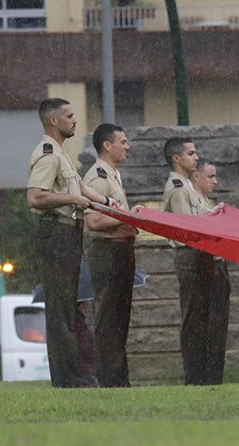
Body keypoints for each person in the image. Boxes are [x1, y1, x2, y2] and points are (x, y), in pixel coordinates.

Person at [25, 97, 112, 388]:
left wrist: (110, 204)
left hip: (69, 233)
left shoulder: (61, 154)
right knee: (60, 310)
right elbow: (35, 197)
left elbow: (81, 187)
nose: (74, 120)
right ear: (54, 121)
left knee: (69, 307)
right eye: (69, 116)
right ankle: (67, 379)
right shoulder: (48, 154)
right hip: (56, 234)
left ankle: (74, 374)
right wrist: (72, 199)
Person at [82, 123, 138, 388]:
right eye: (123, 142)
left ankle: (119, 379)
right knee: (109, 318)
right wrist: (126, 218)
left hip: (122, 249)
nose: (127, 146)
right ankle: (110, 381)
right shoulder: (98, 177)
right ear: (107, 145)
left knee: (120, 318)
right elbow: (93, 220)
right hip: (108, 251)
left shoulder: (114, 175)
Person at [163, 137, 220, 385]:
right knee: (193, 316)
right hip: (189, 255)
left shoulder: (187, 185)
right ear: (177, 158)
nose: (196, 158)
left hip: (199, 254)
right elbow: (186, 228)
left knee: (201, 315)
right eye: (190, 153)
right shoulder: (177, 187)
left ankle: (202, 373)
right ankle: (194, 376)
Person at [191, 157, 231, 385]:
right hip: (208, 266)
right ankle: (207, 377)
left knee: (219, 324)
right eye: (210, 176)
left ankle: (215, 376)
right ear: (197, 176)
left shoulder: (207, 202)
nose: (215, 181)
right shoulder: (190, 198)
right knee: (210, 324)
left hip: (218, 265)